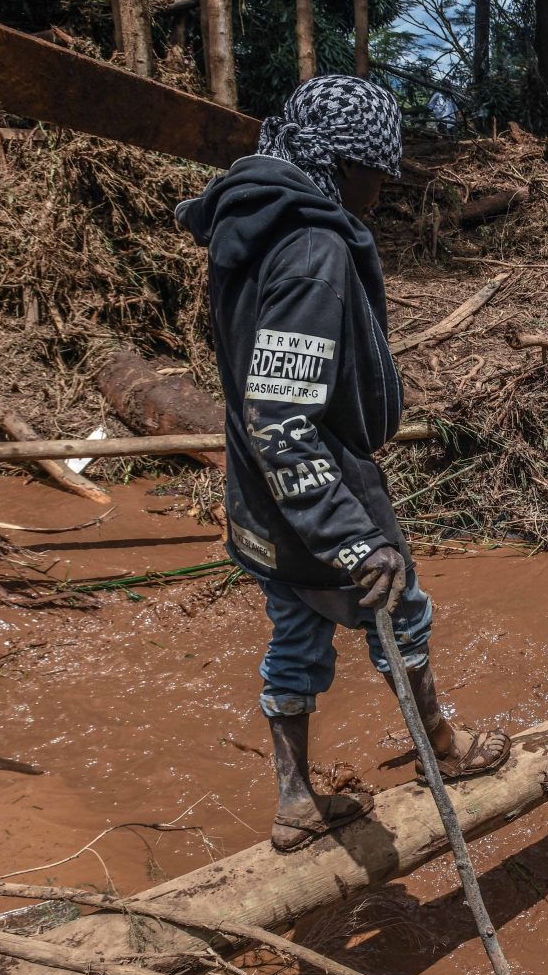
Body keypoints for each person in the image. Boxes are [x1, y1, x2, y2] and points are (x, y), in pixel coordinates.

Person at [176, 76, 511, 853]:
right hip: (312, 485)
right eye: (376, 169)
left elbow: (259, 400)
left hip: (258, 496)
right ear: (338, 164)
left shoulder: (250, 223)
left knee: (296, 626)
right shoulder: (311, 248)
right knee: (400, 610)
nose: (385, 185)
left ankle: (295, 799)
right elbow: (284, 419)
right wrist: (355, 539)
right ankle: (445, 753)